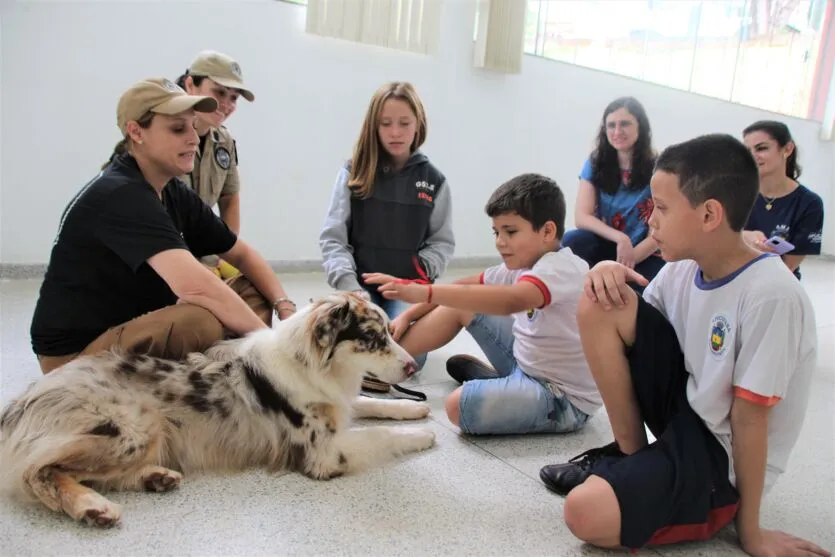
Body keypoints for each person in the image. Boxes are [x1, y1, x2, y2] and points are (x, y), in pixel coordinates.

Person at [538, 134, 828, 556]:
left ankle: (696, 499)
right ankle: (628, 455)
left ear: (710, 214)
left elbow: (749, 420)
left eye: (662, 208)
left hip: (718, 459)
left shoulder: (772, 294)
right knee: (601, 297)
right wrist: (604, 270)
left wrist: (752, 533)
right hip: (686, 412)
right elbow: (630, 330)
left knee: (584, 514)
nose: (650, 220)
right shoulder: (682, 268)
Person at [30, 77, 297, 374]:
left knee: (252, 287)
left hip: (132, 325)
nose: (194, 139)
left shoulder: (170, 188)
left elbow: (242, 255)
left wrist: (284, 306)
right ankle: (259, 364)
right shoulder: (121, 193)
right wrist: (277, 347)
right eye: (177, 129)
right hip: (73, 359)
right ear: (136, 132)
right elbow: (199, 288)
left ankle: (237, 360)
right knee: (200, 321)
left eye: (193, 126)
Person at [363, 173, 600, 436]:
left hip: (560, 397)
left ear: (547, 231)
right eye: (497, 232)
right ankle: (381, 367)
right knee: (461, 303)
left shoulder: (559, 269)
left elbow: (513, 300)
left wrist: (424, 292)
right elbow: (465, 285)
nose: (500, 241)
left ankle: (497, 384)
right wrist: (408, 316)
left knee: (457, 406)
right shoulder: (523, 264)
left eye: (510, 232)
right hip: (528, 360)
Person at [318, 81, 455, 388]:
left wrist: (416, 277)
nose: (395, 132)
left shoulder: (434, 181)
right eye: (386, 124)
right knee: (331, 342)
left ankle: (370, 365)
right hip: (358, 288)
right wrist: (351, 289)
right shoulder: (353, 172)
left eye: (404, 123)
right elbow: (332, 238)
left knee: (405, 358)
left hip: (405, 290)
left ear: (418, 124)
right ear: (374, 126)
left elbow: (442, 243)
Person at [562, 97, 663, 292]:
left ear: (640, 127)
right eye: (611, 125)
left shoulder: (659, 167)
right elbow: (582, 217)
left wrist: (627, 260)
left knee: (639, 298)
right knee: (573, 240)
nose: (617, 132)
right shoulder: (595, 162)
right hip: (608, 244)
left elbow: (657, 233)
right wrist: (621, 239)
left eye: (624, 124)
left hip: (643, 252)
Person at [176, 50, 256, 279]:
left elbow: (229, 198)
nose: (226, 104)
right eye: (219, 92)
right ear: (191, 85)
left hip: (204, 254)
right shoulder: (162, 136)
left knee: (251, 285)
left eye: (233, 98)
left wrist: (224, 252)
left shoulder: (224, 141)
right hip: (165, 256)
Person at [741, 120, 825, 280]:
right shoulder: (735, 192)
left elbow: (789, 265)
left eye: (762, 148)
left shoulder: (810, 204)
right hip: (731, 279)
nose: (752, 156)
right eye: (747, 150)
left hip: (776, 283)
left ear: (787, 149)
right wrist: (745, 236)